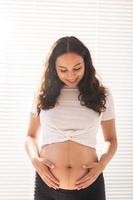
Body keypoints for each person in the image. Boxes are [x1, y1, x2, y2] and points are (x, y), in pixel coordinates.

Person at [25, 36, 118, 200]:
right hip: (47, 186)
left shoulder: (102, 94)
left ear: (86, 64)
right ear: (54, 68)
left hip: (90, 187)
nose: (71, 75)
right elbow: (30, 136)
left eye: (77, 68)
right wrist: (35, 160)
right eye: (63, 70)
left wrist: (101, 166)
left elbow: (111, 139)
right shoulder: (42, 94)